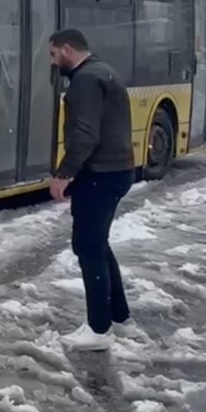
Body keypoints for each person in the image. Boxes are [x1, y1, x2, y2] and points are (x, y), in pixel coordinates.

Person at [47, 28, 137, 352]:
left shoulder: (84, 80)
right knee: (98, 243)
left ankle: (99, 329)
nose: (53, 61)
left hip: (100, 173)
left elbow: (84, 134)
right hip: (118, 170)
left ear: (67, 50)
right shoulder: (106, 71)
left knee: (87, 246)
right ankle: (118, 315)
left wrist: (64, 174)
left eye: (54, 54)